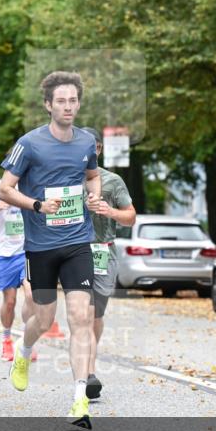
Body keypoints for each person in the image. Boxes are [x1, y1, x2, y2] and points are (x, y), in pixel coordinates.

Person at [0, 71, 101, 431]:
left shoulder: (86, 141)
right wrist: (37, 205)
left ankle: (79, 400)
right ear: (48, 105)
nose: (68, 106)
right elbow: (4, 190)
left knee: (80, 317)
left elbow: (92, 174)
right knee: (43, 320)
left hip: (77, 242)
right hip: (40, 246)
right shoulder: (29, 144)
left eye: (73, 100)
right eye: (61, 101)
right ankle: (23, 353)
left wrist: (95, 195)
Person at [84, 129, 136, 400]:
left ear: (99, 149)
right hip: (74, 252)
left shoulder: (113, 181)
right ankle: (88, 372)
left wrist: (109, 211)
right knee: (84, 313)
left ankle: (88, 363)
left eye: (91, 147)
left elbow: (130, 217)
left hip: (103, 251)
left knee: (95, 315)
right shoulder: (63, 177)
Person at [0, 176, 37, 361]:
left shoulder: (33, 183)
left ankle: (28, 341)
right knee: (10, 302)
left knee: (31, 295)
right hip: (5, 253)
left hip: (27, 251)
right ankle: (6, 340)